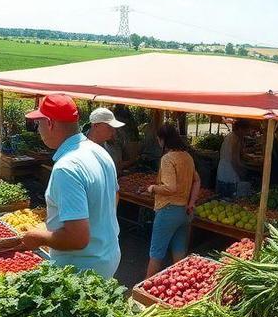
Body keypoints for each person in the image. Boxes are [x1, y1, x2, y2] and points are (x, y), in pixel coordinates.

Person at [18, 94, 121, 278]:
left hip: (82, 270)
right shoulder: (99, 151)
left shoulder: (66, 167)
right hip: (107, 256)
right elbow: (114, 198)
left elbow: (77, 238)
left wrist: (39, 237)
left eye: (39, 123)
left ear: (50, 123)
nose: (38, 130)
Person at [144, 124, 201, 277]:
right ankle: (181, 286)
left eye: (158, 139)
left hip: (168, 210)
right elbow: (197, 180)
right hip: (185, 212)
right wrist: (191, 203)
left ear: (163, 139)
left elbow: (170, 188)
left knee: (156, 253)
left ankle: (142, 291)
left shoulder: (168, 158)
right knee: (179, 255)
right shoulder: (187, 156)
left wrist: (153, 188)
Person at [86, 107, 132, 172]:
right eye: (110, 127)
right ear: (96, 126)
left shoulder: (113, 146)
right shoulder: (80, 148)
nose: (114, 131)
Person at [216, 119, 252, 197]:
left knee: (222, 200)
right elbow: (235, 161)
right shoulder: (235, 139)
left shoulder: (229, 136)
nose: (247, 133)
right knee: (231, 201)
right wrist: (242, 173)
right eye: (246, 131)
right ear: (240, 129)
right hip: (231, 175)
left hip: (222, 172)